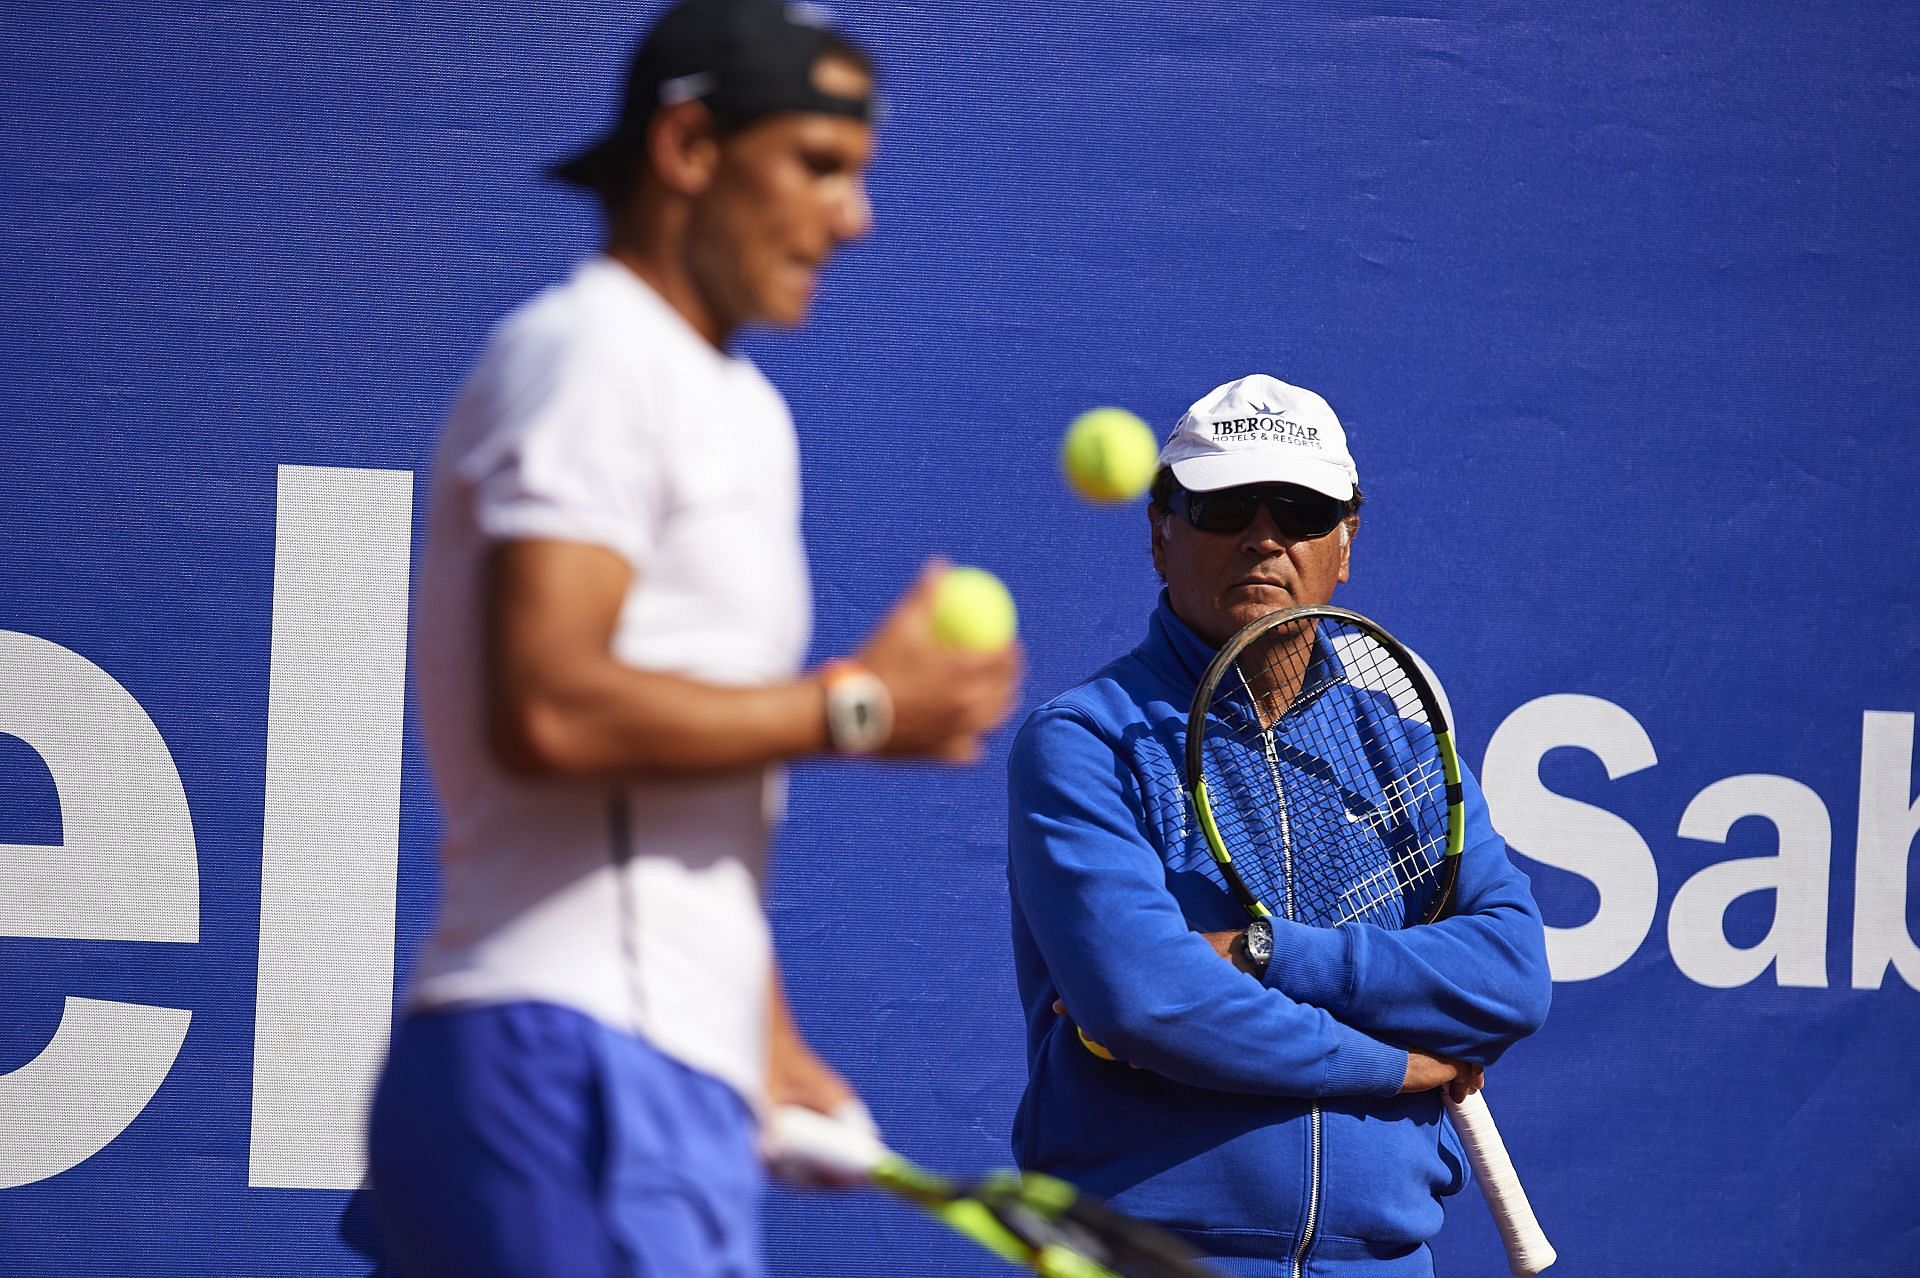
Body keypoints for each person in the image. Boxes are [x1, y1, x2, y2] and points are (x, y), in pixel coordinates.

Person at [366, 3, 1020, 1275]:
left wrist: (763, 1040)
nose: (854, 219)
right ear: (687, 150)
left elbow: (678, 822)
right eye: (819, 168)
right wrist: (857, 707)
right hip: (561, 1065)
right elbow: (548, 705)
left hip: (661, 1079)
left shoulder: (744, 412)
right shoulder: (592, 352)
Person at [1004, 373, 1550, 1276]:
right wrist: (1392, 1065)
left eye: (1298, 509)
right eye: (1222, 507)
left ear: (1346, 542)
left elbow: (1513, 975)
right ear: (1159, 534)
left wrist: (1265, 952)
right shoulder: (1084, 741)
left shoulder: (1406, 749)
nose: (1262, 536)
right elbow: (1149, 1001)